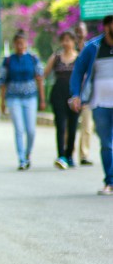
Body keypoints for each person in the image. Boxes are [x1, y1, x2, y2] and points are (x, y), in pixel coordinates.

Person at [70, 14, 113, 196]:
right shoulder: (93, 47)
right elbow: (78, 70)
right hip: (100, 103)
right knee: (107, 143)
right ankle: (110, 181)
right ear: (106, 26)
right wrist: (75, 95)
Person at [0, 31, 46, 170]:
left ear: (26, 43)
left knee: (31, 130)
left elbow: (40, 78)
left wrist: (42, 99)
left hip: (30, 97)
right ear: (14, 44)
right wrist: (2, 102)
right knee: (19, 129)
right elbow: (2, 82)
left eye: (22, 42)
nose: (20, 45)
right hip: (14, 98)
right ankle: (21, 158)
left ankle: (27, 153)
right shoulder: (8, 60)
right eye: (17, 43)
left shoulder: (33, 58)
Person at [44, 31, 79, 169]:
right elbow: (44, 74)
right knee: (61, 125)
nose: (66, 43)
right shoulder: (56, 57)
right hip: (58, 93)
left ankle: (70, 154)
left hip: (74, 94)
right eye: (63, 40)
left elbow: (85, 75)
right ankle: (61, 155)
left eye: (69, 40)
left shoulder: (79, 57)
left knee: (73, 126)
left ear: (73, 41)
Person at [74, 22, 95, 166]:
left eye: (82, 31)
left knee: (87, 125)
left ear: (86, 32)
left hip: (88, 94)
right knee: (70, 125)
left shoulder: (91, 50)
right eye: (77, 31)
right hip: (73, 94)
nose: (79, 34)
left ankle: (84, 155)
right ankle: (68, 153)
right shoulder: (69, 49)